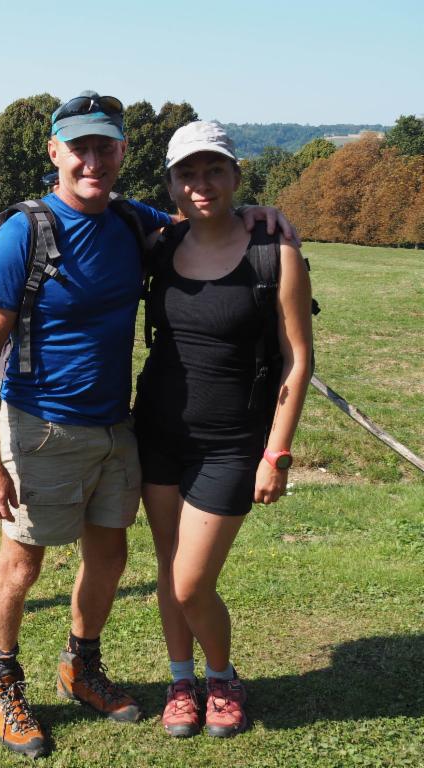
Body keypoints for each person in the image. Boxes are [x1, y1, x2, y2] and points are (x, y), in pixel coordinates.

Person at [0, 93, 296, 758]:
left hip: (119, 427)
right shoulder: (22, 235)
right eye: (79, 148)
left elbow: (199, 221)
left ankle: (80, 665)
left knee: (109, 558)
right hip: (40, 427)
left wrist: (264, 215)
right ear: (55, 153)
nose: (92, 160)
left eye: (105, 147)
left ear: (121, 155)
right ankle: (1, 680)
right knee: (22, 563)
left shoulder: (130, 221)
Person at [133, 120, 313, 738]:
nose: (201, 183)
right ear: (172, 183)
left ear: (237, 175)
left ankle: (221, 676)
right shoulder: (158, 244)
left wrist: (277, 452)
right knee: (167, 567)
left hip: (232, 443)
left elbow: (298, 358)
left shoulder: (275, 252)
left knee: (191, 581)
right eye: (188, 172)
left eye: (214, 170)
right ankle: (180, 680)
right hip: (155, 433)